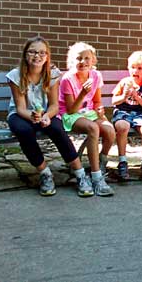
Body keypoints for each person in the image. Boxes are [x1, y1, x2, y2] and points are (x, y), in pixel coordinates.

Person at [6, 36, 92, 197]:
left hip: (46, 112)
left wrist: (46, 116)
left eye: (42, 53)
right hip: (21, 114)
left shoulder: (52, 75)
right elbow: (20, 108)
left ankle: (80, 174)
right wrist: (32, 116)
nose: (37, 56)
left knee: (57, 128)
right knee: (23, 131)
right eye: (32, 52)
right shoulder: (15, 76)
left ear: (47, 56)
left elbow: (54, 105)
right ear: (25, 54)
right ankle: (45, 173)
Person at [59, 42, 115, 196]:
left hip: (88, 112)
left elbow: (96, 101)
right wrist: (83, 93)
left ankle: (100, 163)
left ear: (93, 61)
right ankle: (97, 177)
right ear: (72, 61)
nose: (83, 62)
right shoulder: (68, 79)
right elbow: (71, 109)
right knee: (93, 128)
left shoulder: (96, 75)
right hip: (71, 115)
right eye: (78, 58)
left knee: (110, 131)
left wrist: (99, 109)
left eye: (86, 58)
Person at [111, 51, 142, 181]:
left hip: (140, 113)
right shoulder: (124, 82)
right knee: (122, 127)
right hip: (123, 111)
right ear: (128, 68)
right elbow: (114, 101)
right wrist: (124, 96)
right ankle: (122, 161)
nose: (135, 71)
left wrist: (138, 98)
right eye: (133, 67)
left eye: (140, 68)